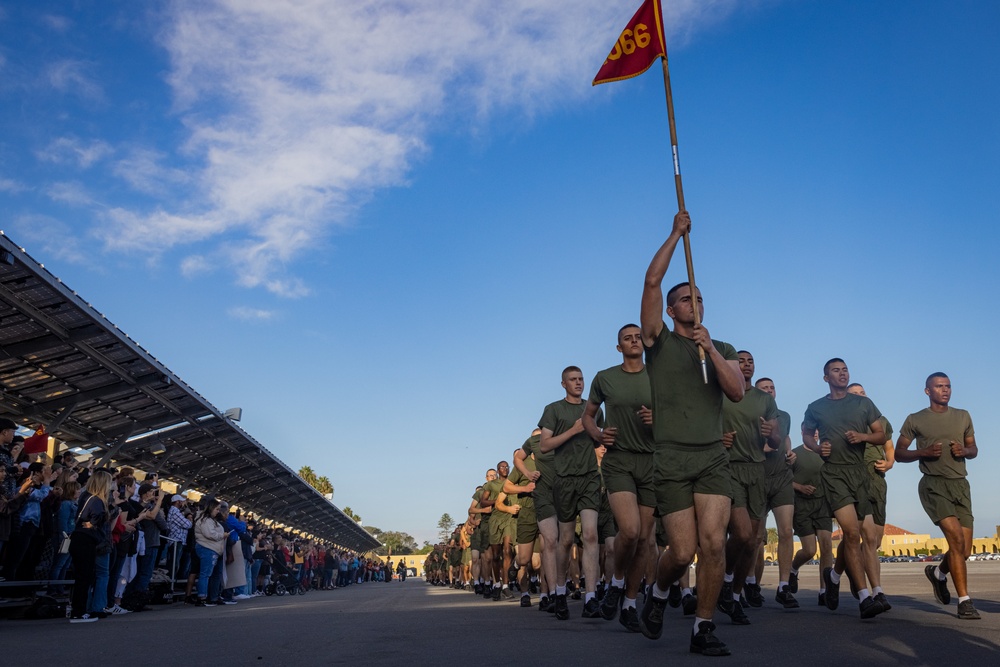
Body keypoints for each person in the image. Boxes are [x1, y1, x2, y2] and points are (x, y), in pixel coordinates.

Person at [637, 210, 745, 656]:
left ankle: (703, 627)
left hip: (711, 458)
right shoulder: (657, 340)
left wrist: (711, 350)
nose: (693, 303)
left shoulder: (722, 348)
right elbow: (650, 283)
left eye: (698, 297)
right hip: (672, 458)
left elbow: (737, 391)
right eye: (685, 299)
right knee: (681, 553)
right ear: (671, 309)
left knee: (714, 543)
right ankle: (658, 594)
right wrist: (675, 233)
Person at [582, 324, 658, 629]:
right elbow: (587, 415)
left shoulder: (658, 374)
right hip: (619, 462)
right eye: (628, 338)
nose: (635, 340)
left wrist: (660, 419)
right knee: (628, 530)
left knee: (644, 539)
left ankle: (628, 602)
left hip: (652, 462)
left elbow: (681, 411)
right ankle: (615, 584)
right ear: (619, 347)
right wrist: (599, 435)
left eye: (638, 336)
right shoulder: (605, 378)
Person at [802, 358, 887, 619]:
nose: (842, 374)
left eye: (845, 369)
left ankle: (835, 576)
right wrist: (817, 448)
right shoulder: (816, 407)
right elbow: (806, 434)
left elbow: (881, 435)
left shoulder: (863, 404)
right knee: (851, 533)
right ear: (826, 378)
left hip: (859, 474)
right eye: (836, 371)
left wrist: (863, 437)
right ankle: (864, 598)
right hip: (834, 473)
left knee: (862, 535)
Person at [895, 372, 980, 620]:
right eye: (939, 386)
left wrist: (964, 450)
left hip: (960, 485)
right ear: (927, 391)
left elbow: (974, 448)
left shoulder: (963, 416)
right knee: (954, 538)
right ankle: (964, 601)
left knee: (963, 551)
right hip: (933, 485)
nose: (945, 390)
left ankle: (938, 573)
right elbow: (900, 453)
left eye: (948, 386)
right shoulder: (915, 419)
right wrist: (923, 452)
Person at [717, 350, 780, 625]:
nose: (746, 365)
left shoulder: (765, 400)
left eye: (750, 361)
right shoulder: (720, 394)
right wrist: (718, 438)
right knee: (741, 534)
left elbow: (776, 440)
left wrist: (772, 435)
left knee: (754, 540)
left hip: (757, 469)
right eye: (740, 361)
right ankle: (726, 582)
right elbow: (702, 426)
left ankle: (734, 594)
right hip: (729, 468)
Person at [539, 366, 604, 620]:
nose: (578, 383)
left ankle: (591, 598)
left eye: (581, 379)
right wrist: (575, 430)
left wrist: (602, 435)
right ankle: (559, 591)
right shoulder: (553, 409)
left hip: (589, 476)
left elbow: (600, 439)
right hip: (564, 480)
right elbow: (544, 445)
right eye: (573, 380)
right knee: (565, 541)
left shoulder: (593, 408)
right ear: (563, 384)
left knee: (590, 535)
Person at [747, 376, 798, 609]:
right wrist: (764, 446)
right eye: (764, 389)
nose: (769, 391)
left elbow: (785, 436)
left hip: (781, 479)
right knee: (755, 538)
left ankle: (784, 586)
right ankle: (750, 584)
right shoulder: (749, 415)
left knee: (786, 531)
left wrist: (789, 451)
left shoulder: (784, 416)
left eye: (772, 387)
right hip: (757, 477)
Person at [847, 382, 894, 609]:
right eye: (854, 394)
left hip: (878, 482)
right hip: (856, 480)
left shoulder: (881, 421)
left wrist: (890, 463)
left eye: (862, 393)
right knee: (863, 536)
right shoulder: (845, 420)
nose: (859, 396)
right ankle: (876, 590)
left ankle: (838, 572)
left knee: (876, 539)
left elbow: (889, 447)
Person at [788, 430, 834, 606]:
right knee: (809, 550)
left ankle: (825, 591)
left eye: (817, 432)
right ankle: (793, 569)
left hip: (822, 505)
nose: (815, 435)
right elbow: (784, 478)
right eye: (811, 432)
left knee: (827, 546)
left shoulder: (825, 454)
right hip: (801, 506)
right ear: (802, 433)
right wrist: (799, 487)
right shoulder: (795, 454)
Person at [68, 470, 113, 623]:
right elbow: (95, 519)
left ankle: (79, 610)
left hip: (79, 538)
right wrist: (92, 524)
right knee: (84, 576)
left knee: (83, 576)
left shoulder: (85, 497)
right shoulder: (97, 500)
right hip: (86, 540)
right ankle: (78, 612)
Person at [193, 497, 226, 606]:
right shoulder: (205, 520)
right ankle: (202, 597)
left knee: (211, 574)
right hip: (207, 548)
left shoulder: (209, 519)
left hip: (213, 549)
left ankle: (211, 597)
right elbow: (210, 534)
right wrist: (223, 535)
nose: (218, 511)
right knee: (205, 574)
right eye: (216, 509)